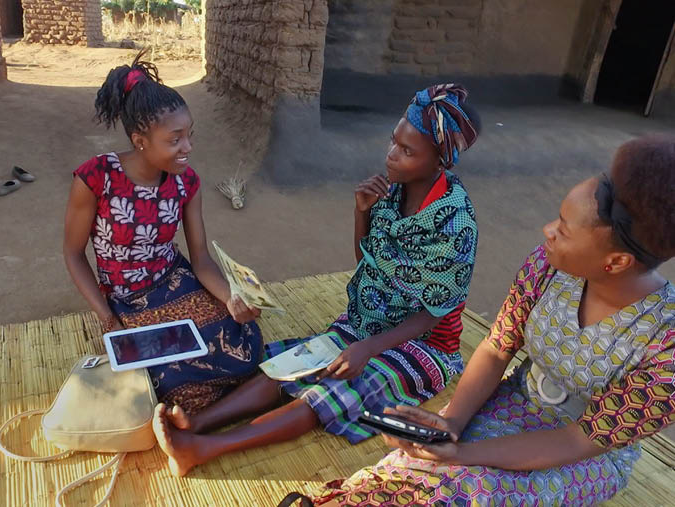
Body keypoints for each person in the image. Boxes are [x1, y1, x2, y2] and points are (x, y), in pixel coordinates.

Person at [307, 135, 675, 506]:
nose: (547, 231)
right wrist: (451, 426)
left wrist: (462, 454)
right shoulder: (548, 267)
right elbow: (497, 347)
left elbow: (582, 439)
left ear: (616, 263)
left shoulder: (667, 344)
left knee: (478, 491)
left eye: (563, 229)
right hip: (514, 400)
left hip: (587, 450)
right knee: (412, 465)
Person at [153, 84, 482, 476]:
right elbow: (368, 263)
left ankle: (202, 448)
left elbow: (433, 314)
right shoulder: (391, 191)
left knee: (327, 394)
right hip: (365, 324)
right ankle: (200, 423)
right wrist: (362, 212)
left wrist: (367, 349)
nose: (391, 155)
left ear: (439, 161)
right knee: (287, 366)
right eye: (394, 142)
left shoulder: (456, 222)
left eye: (407, 152)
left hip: (422, 347)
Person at [63, 51, 263, 413]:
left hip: (175, 281)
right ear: (141, 140)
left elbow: (200, 258)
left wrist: (229, 298)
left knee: (244, 346)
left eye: (189, 135)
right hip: (125, 297)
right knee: (173, 382)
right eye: (175, 140)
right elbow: (73, 254)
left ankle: (211, 408)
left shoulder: (187, 183)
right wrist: (106, 316)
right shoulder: (95, 178)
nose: (187, 147)